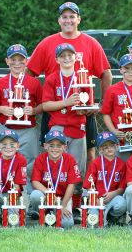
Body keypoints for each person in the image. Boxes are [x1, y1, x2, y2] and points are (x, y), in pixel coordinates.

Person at [26, 1, 112, 183]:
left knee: (88, 153)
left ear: (78, 19)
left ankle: (84, 194)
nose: (68, 20)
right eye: (64, 17)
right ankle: (52, 193)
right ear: (59, 20)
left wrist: (102, 103)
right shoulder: (47, 43)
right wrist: (34, 103)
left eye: (72, 16)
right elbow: (30, 72)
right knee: (52, 152)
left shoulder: (91, 43)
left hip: (83, 111)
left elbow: (106, 74)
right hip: (55, 111)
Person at [0, 44, 42, 198]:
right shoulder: (0, 82)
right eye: (13, 59)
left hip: (28, 129)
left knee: (30, 164)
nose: (17, 63)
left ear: (26, 61)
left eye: (21, 59)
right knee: (1, 162)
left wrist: (33, 110)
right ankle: (2, 198)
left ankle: (33, 199)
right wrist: (1, 109)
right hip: (7, 127)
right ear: (7, 61)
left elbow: (42, 105)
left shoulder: (34, 83)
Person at [42, 43, 88, 218]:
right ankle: (51, 203)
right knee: (55, 166)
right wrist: (67, 102)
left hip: (78, 126)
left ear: (75, 57)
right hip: (58, 128)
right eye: (63, 56)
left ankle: (74, 207)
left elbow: (88, 104)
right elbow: (46, 105)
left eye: (70, 55)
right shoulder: (52, 79)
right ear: (57, 59)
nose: (67, 58)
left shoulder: (82, 78)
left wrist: (87, 109)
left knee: (77, 168)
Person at [30, 130, 82, 229]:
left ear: (65, 147)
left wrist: (62, 205)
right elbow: (35, 181)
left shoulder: (70, 160)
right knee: (35, 195)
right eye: (51, 145)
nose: (55, 149)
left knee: (67, 224)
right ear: (45, 146)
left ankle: (53, 217)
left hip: (63, 198)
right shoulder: (40, 159)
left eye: (59, 145)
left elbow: (72, 185)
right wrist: (49, 194)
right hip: (46, 197)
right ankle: (45, 214)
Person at [82, 132, 126, 226]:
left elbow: (122, 187)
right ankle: (99, 216)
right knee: (93, 223)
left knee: (121, 203)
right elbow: (89, 185)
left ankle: (112, 216)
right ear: (100, 150)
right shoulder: (95, 163)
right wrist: (95, 199)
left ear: (117, 146)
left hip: (113, 198)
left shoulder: (121, 164)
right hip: (97, 200)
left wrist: (113, 193)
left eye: (111, 146)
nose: (109, 149)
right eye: (105, 147)